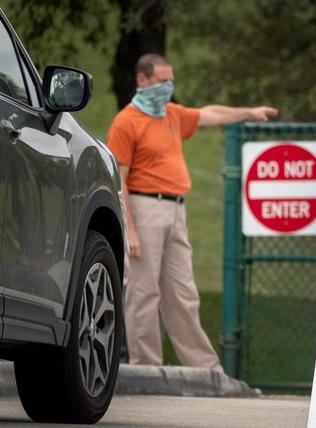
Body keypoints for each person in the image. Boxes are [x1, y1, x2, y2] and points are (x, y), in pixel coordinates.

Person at [107, 53, 277, 371]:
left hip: (176, 211)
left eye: (171, 81)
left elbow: (209, 114)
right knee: (144, 291)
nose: (168, 87)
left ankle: (204, 370)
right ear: (142, 81)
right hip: (144, 210)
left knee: (183, 292)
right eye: (161, 81)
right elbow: (120, 181)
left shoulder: (170, 114)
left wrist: (248, 112)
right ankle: (146, 366)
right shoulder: (126, 123)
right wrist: (129, 228)